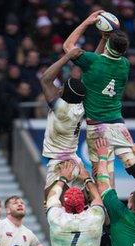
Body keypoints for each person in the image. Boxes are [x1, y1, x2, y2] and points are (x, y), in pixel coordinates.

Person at [63, 11, 135, 187]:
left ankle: (107, 213)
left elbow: (68, 46)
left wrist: (87, 22)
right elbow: (98, 60)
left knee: (104, 176)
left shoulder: (92, 61)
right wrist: (106, 38)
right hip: (118, 124)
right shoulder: (125, 65)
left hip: (97, 127)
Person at [39, 46, 87, 191]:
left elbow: (46, 80)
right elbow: (87, 75)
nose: (59, 88)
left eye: (63, 87)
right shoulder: (81, 106)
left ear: (64, 93)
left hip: (60, 165)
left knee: (52, 206)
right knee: (80, 208)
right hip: (75, 162)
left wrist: (67, 57)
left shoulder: (61, 109)